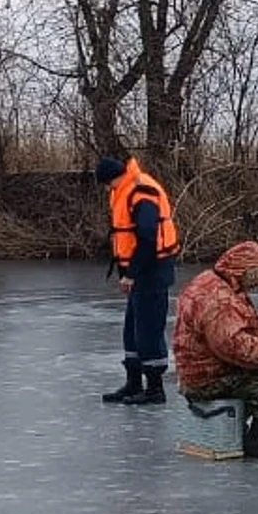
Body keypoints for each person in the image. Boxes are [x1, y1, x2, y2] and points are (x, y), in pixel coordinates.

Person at [173, 241, 258, 460]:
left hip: (200, 371)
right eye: (256, 277)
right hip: (208, 378)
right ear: (245, 272)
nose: (257, 285)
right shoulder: (219, 299)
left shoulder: (213, 282)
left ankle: (255, 425)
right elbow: (233, 346)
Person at [95, 154, 181, 404]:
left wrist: (131, 274)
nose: (106, 189)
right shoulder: (125, 189)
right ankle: (133, 383)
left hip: (152, 270)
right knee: (132, 330)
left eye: (106, 184)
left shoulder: (141, 190)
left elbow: (147, 238)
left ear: (112, 178)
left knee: (148, 330)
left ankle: (155, 389)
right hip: (140, 271)